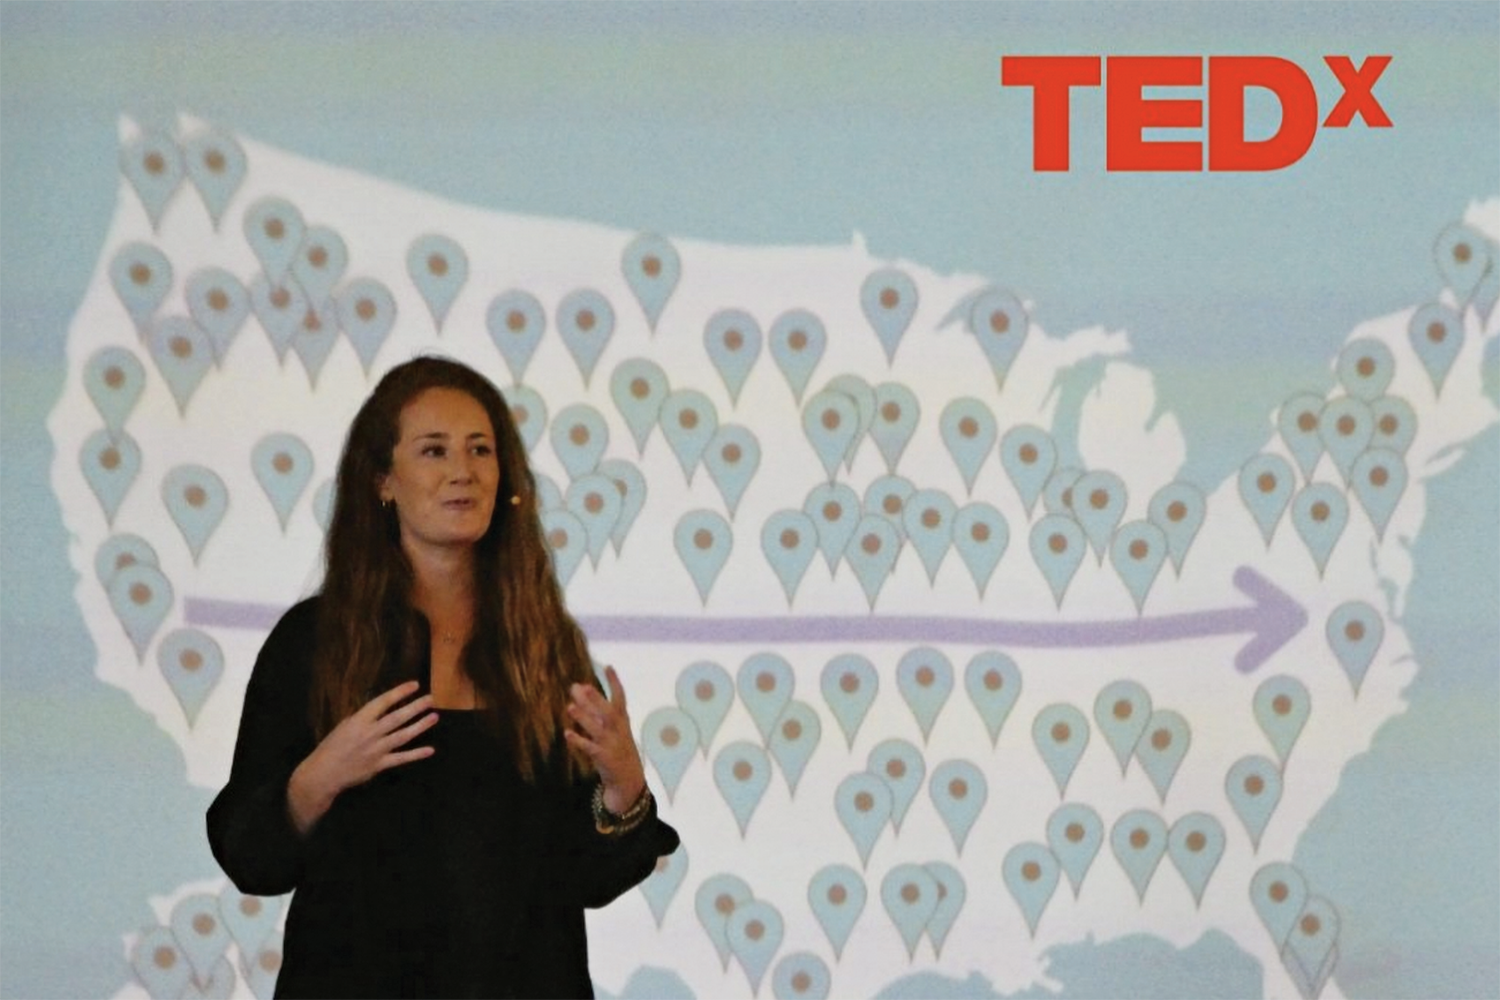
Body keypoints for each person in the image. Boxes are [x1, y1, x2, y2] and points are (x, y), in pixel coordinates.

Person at [208, 355, 679, 999]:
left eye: (480, 450)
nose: (463, 471)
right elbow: (249, 857)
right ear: (383, 481)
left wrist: (623, 784)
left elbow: (586, 878)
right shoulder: (314, 641)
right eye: (434, 450)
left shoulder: (544, 644)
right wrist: (318, 778)